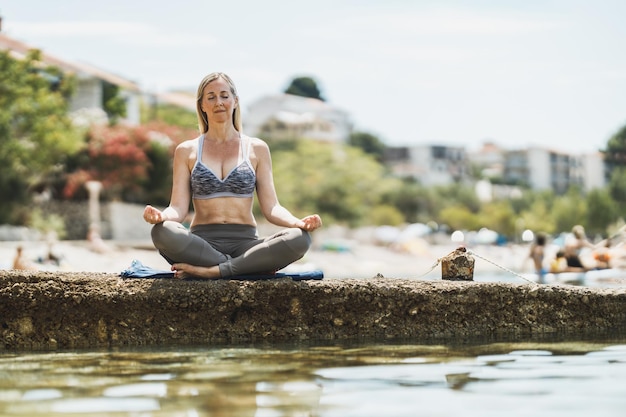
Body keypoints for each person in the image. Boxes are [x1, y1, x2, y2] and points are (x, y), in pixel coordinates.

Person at [143, 72, 322, 279]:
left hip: (246, 244)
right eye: (211, 97)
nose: (218, 102)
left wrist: (298, 223)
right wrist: (162, 217)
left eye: (224, 95)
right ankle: (245, 268)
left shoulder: (257, 148)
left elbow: (272, 208)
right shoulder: (187, 150)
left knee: (300, 238)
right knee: (161, 232)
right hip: (202, 246)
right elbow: (178, 208)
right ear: (202, 105)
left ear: (235, 101)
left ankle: (215, 271)